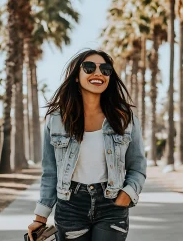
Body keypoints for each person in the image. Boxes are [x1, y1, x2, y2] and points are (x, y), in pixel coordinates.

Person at [28, 49, 147, 241]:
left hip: (112, 205)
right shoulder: (57, 119)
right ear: (76, 76)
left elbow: (138, 165)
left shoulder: (124, 117)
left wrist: (128, 193)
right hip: (70, 206)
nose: (98, 73)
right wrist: (40, 217)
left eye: (105, 69)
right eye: (89, 67)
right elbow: (50, 172)